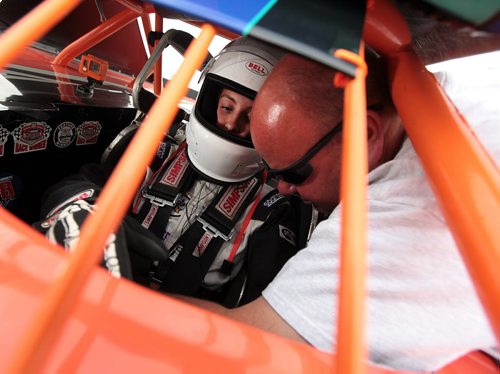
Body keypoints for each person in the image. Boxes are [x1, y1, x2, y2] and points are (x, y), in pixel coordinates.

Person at [174, 49, 499, 371]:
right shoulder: (455, 92)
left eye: (293, 174)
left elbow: (245, 346)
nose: (284, 189)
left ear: (363, 136)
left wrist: (123, 286)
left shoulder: (395, 223)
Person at [34, 37, 317, 308]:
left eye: (251, 116)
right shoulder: (153, 151)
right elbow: (79, 184)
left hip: (183, 326)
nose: (231, 125)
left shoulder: (271, 207)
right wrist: (82, 210)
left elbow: (262, 302)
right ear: (208, 102)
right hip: (98, 290)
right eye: (226, 107)